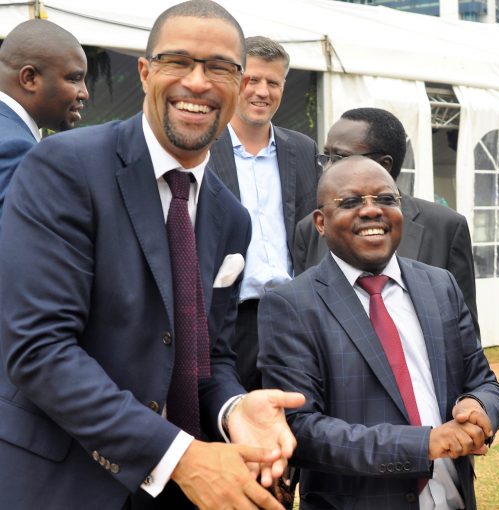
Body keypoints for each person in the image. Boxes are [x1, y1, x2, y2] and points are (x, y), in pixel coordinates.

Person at [0, 2, 304, 509]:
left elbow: (209, 356)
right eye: (177, 61)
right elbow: (40, 349)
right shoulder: (64, 168)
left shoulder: (231, 219)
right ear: (145, 73)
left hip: (181, 491)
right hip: (63, 483)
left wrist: (233, 408)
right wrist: (180, 456)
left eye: (219, 68)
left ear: (238, 83)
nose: (199, 82)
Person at [259, 155, 499, 509]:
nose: (372, 210)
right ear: (320, 222)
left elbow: (484, 380)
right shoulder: (291, 306)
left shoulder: (440, 285)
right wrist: (425, 444)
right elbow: (301, 430)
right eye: (351, 202)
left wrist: (479, 406)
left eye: (386, 199)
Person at [293, 107, 480, 336]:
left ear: (384, 165)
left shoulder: (445, 228)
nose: (328, 168)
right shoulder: (310, 228)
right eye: (326, 157)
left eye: (339, 158)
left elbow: (465, 338)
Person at [209, 35, 318, 391]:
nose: (262, 91)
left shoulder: (301, 150)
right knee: (229, 421)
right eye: (252, 80)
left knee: (297, 422)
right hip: (229, 317)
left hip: (293, 314)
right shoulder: (205, 147)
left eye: (273, 82)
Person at [0, 19, 88, 219]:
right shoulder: (15, 149)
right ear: (29, 78)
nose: (84, 93)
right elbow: (18, 244)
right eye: (74, 79)